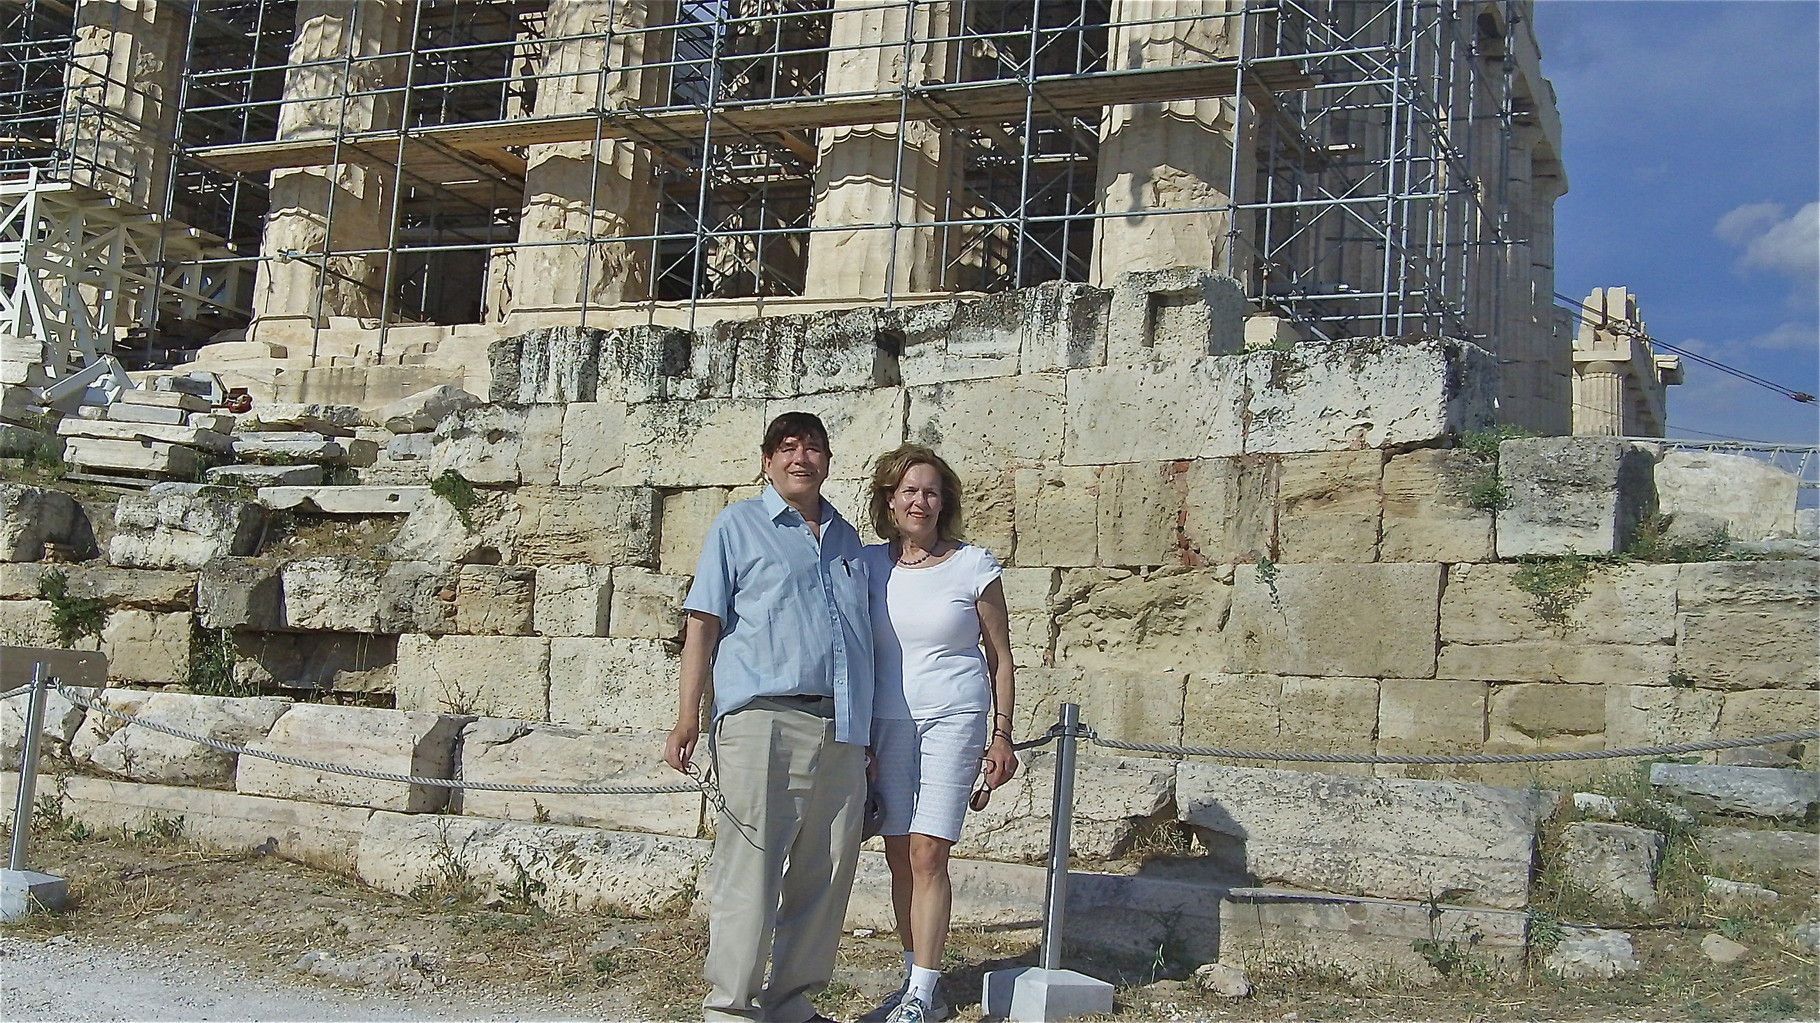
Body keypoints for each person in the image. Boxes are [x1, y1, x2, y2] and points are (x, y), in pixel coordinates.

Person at [662, 411, 874, 1023]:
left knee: (826, 876)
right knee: (749, 870)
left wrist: (867, 735)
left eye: (812, 448)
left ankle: (792, 1004)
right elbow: (702, 625)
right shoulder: (737, 527)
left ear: (828, 462)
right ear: (766, 461)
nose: (800, 458)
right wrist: (687, 720)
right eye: (787, 447)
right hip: (763, 719)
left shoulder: (847, 539)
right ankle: (730, 1008)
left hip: (841, 727)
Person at [857, 444, 1017, 1023]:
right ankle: (916, 980)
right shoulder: (871, 565)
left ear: (943, 499)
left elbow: (1000, 657)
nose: (919, 500)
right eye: (908, 490)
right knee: (899, 854)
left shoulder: (974, 565)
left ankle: (923, 994)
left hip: (954, 718)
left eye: (929, 490)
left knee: (929, 852)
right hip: (888, 724)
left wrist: (1001, 735)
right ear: (890, 500)